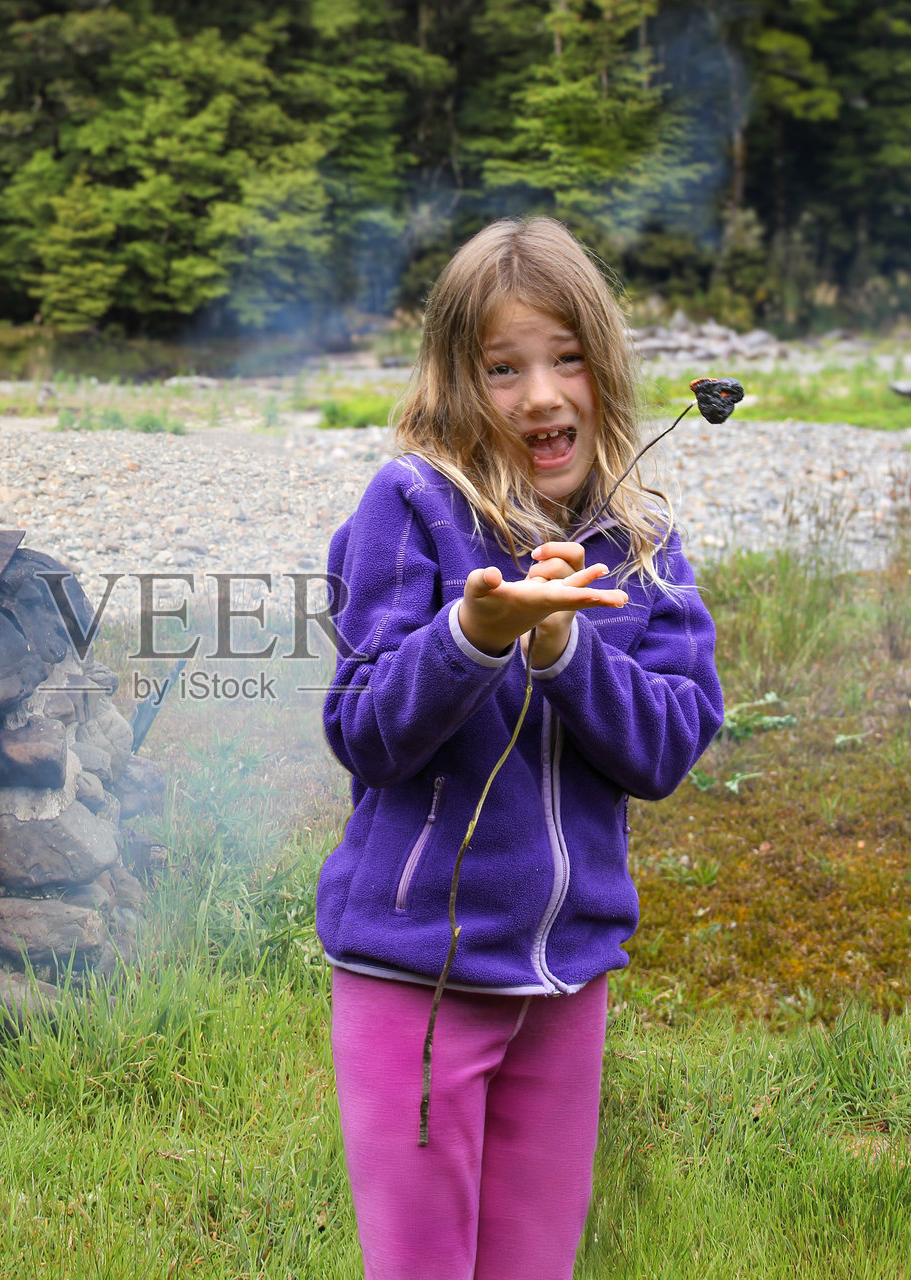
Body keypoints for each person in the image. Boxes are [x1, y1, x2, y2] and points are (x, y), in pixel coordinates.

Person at [319, 217, 724, 1279]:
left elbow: (671, 744)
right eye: (503, 368)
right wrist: (472, 636)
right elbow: (365, 731)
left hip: (567, 977)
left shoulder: (642, 545)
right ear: (457, 381)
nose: (541, 395)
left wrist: (562, 647)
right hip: (417, 977)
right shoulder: (407, 507)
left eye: (566, 358)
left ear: (604, 365)